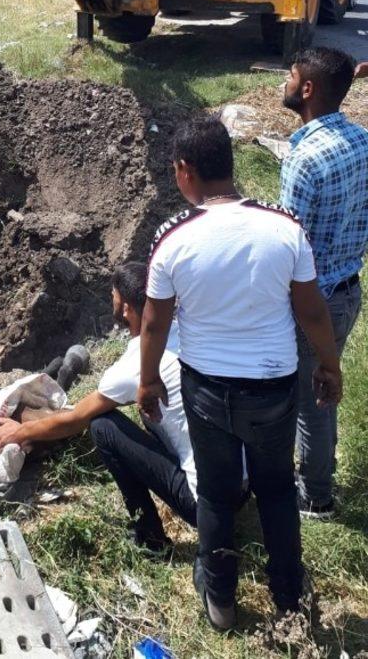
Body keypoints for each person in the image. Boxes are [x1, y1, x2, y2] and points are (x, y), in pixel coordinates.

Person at [138, 116, 341, 632]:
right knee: (275, 489)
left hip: (206, 389)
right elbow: (312, 312)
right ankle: (289, 597)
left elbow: (154, 322)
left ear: (185, 171)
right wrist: (329, 363)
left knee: (216, 493)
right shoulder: (284, 226)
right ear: (228, 164)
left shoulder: (171, 239)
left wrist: (147, 380)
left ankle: (222, 603)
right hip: (273, 387)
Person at [0, 261, 197, 554]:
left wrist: (20, 431)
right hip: (239, 488)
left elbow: (75, 419)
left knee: (103, 426)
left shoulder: (134, 366)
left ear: (125, 308)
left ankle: (150, 538)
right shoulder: (187, 334)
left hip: (202, 504)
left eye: (114, 296)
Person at [280, 47, 368, 519]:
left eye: (290, 76)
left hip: (315, 301)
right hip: (349, 289)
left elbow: (291, 247)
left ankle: (316, 498)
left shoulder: (305, 158)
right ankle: (321, 469)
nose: (285, 83)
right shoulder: (362, 140)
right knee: (325, 383)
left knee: (310, 397)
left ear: (307, 89)